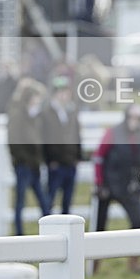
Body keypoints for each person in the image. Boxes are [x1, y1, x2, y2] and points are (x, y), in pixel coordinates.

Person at [92, 103, 140, 273]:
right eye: (133, 117)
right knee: (99, 227)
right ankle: (94, 265)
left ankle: (134, 262)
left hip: (128, 187)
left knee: (138, 221)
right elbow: (98, 158)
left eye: (139, 118)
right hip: (108, 185)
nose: (135, 121)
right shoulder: (113, 133)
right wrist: (99, 182)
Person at [7, 77, 50, 235]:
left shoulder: (34, 116)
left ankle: (50, 232)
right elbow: (14, 142)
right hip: (24, 165)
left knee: (44, 202)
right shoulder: (18, 115)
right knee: (20, 203)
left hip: (34, 165)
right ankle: (18, 234)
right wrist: (24, 160)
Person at [41, 75, 82, 215]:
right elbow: (45, 138)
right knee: (50, 199)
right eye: (60, 91)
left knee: (67, 201)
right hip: (56, 163)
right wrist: (49, 160)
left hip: (70, 161)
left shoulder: (72, 111)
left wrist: (78, 156)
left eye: (66, 91)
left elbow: (77, 134)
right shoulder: (47, 113)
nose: (64, 95)